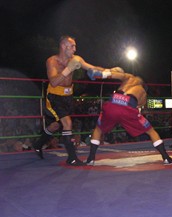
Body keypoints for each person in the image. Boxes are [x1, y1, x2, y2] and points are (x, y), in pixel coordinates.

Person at [33, 35, 119, 166]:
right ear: (63, 46)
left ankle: (38, 144)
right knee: (67, 123)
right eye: (72, 46)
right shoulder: (52, 61)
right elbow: (54, 81)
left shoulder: (76, 59)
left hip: (68, 96)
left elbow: (92, 68)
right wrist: (69, 69)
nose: (74, 49)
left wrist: (110, 71)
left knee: (56, 125)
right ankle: (72, 158)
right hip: (55, 96)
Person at [85, 68, 172, 165]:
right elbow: (139, 105)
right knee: (151, 131)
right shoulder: (143, 92)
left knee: (98, 129)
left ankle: (90, 159)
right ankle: (166, 158)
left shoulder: (129, 78)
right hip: (128, 107)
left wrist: (101, 74)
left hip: (113, 102)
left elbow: (116, 75)